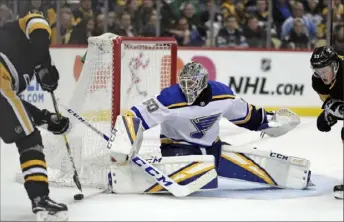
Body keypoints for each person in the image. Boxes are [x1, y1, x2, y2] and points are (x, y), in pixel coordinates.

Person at [110, 61, 310, 194]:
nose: (187, 88)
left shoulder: (223, 95)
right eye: (184, 83)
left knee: (216, 165)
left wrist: (270, 121)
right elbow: (135, 115)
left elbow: (247, 115)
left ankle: (293, 174)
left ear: (204, 82)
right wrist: (123, 140)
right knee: (206, 175)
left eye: (193, 83)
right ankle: (125, 177)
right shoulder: (169, 98)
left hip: (212, 147)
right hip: (177, 147)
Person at [0, 11, 70, 220]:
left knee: (27, 132)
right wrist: (43, 65)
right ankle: (41, 200)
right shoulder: (28, 24)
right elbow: (39, 27)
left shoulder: (23, 70)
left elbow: (10, 105)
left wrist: (45, 118)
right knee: (29, 139)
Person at [310, 46, 344, 200]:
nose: (321, 76)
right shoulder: (317, 81)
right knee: (322, 123)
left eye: (324, 71)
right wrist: (333, 111)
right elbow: (327, 100)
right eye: (318, 71)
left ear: (335, 66)